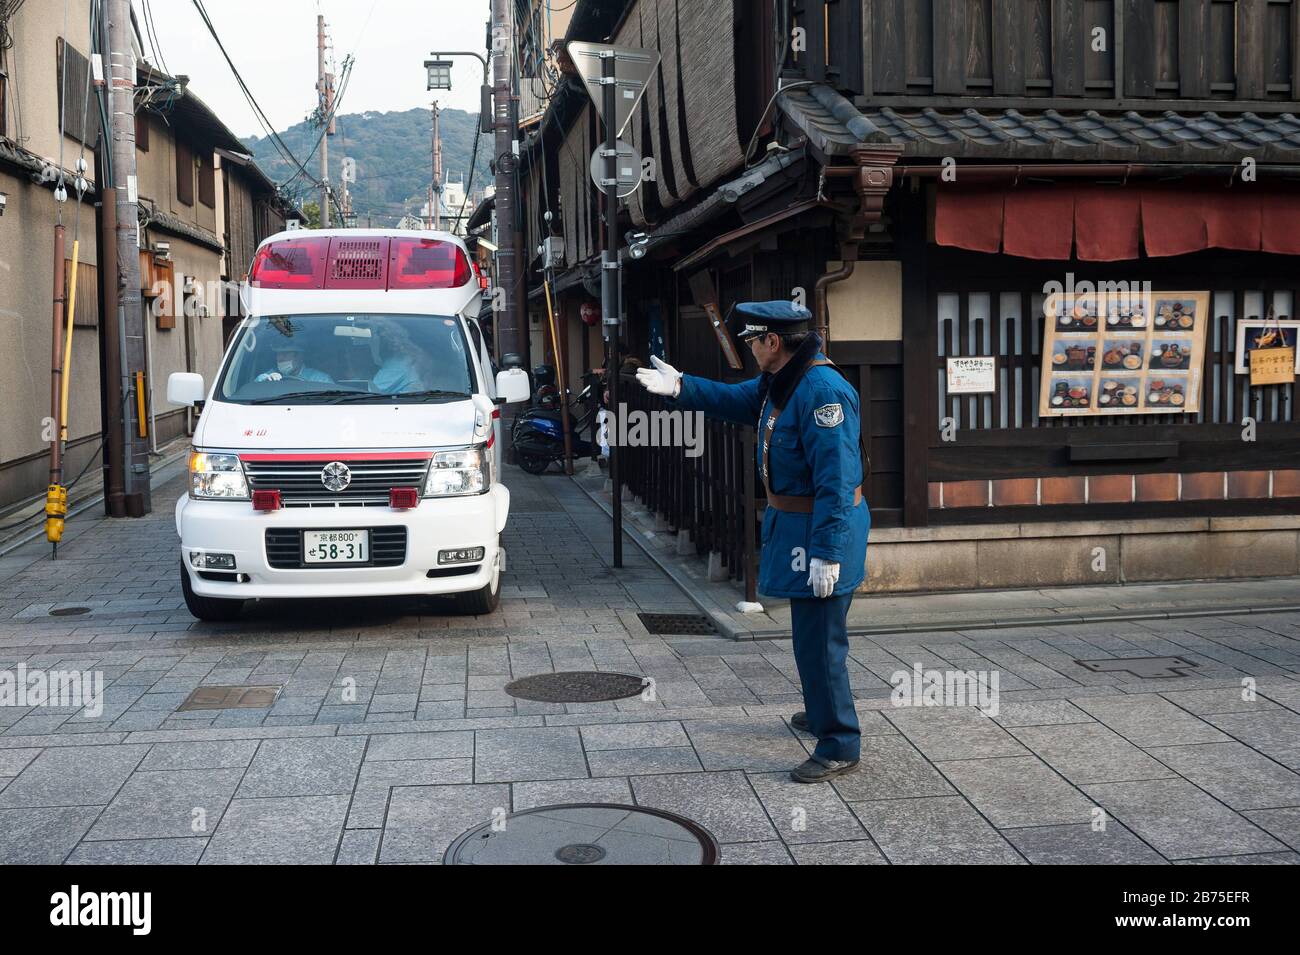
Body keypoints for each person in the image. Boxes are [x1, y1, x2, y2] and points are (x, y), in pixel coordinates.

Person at [635, 301, 870, 783]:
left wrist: (828, 551)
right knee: (812, 635)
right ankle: (821, 710)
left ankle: (839, 741)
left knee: (820, 642)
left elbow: (837, 480)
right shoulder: (783, 382)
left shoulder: (821, 391)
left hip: (821, 528)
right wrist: (682, 386)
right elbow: (735, 400)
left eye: (752, 341)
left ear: (773, 342)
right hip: (799, 526)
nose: (750, 349)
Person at [370, 320, 434, 394]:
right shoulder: (412, 356)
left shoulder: (398, 364)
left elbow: (370, 392)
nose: (371, 341)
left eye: (374, 335)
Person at [255, 341, 333, 383]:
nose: (280, 358)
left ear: (300, 357)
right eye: (278, 354)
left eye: (285, 354)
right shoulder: (272, 374)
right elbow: (255, 386)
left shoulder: (319, 379)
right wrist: (266, 380)